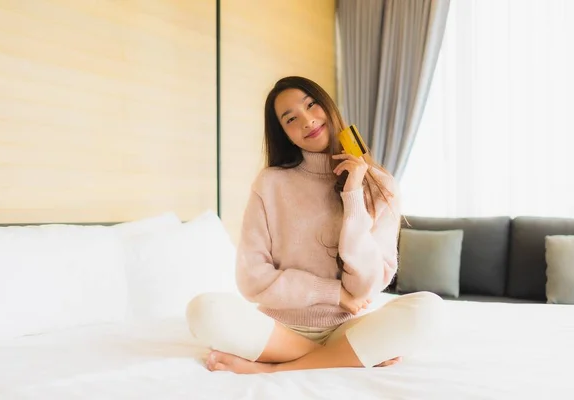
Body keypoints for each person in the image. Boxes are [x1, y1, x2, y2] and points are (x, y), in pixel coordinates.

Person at [186, 76, 445, 374]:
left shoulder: (380, 186)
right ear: (284, 133)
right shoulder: (270, 184)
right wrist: (333, 294)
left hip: (345, 329)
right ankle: (338, 358)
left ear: (328, 105)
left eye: (311, 105)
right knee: (203, 311)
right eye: (291, 118)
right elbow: (251, 278)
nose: (308, 121)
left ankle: (274, 368)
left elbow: (364, 289)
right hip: (277, 328)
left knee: (429, 309)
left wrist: (353, 195)